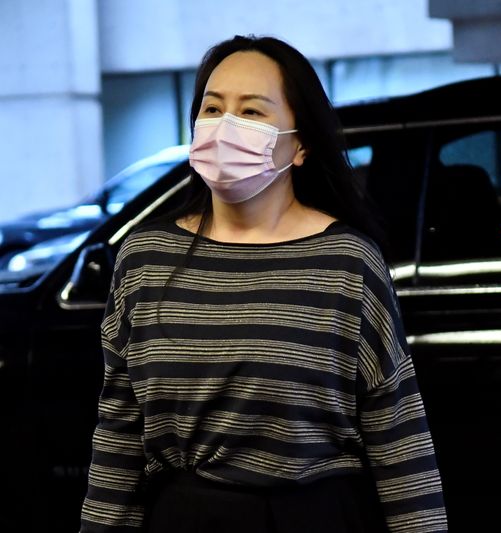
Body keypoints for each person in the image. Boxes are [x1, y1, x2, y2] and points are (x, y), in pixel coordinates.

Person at [80, 35, 447, 533]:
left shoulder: (346, 261)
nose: (225, 126)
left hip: (313, 517)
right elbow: (119, 431)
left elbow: (397, 429)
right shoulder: (146, 257)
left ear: (300, 144)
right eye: (213, 108)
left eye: (251, 112)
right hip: (184, 517)